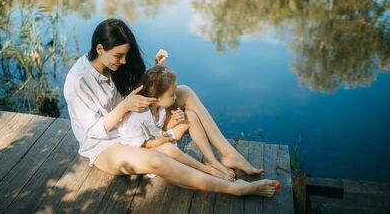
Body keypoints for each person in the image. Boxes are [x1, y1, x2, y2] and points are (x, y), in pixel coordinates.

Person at [64, 18, 278, 197]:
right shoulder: (78, 82)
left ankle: (228, 153)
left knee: (183, 91)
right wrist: (124, 107)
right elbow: (92, 133)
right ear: (100, 49)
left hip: (132, 123)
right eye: (118, 56)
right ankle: (234, 189)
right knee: (158, 159)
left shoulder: (114, 65)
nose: (123, 61)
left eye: (125, 55)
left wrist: (156, 69)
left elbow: (138, 90)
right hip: (105, 147)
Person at [118, 65, 236, 182]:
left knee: (190, 116)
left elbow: (158, 127)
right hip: (143, 152)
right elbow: (139, 144)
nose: (175, 97)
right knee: (171, 150)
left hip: (158, 139)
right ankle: (207, 170)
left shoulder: (159, 108)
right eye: (171, 95)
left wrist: (173, 122)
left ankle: (211, 160)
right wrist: (160, 142)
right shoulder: (137, 116)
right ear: (157, 98)